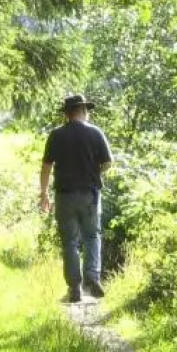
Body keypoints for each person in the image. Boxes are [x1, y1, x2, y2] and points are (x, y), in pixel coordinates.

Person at [39, 94, 113, 303]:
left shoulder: (56, 135)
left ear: (67, 113)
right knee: (91, 236)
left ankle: (74, 289)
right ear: (82, 110)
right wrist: (95, 172)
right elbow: (108, 162)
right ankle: (91, 277)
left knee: (70, 243)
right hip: (89, 194)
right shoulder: (95, 132)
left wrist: (44, 193)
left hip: (64, 196)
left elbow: (46, 167)